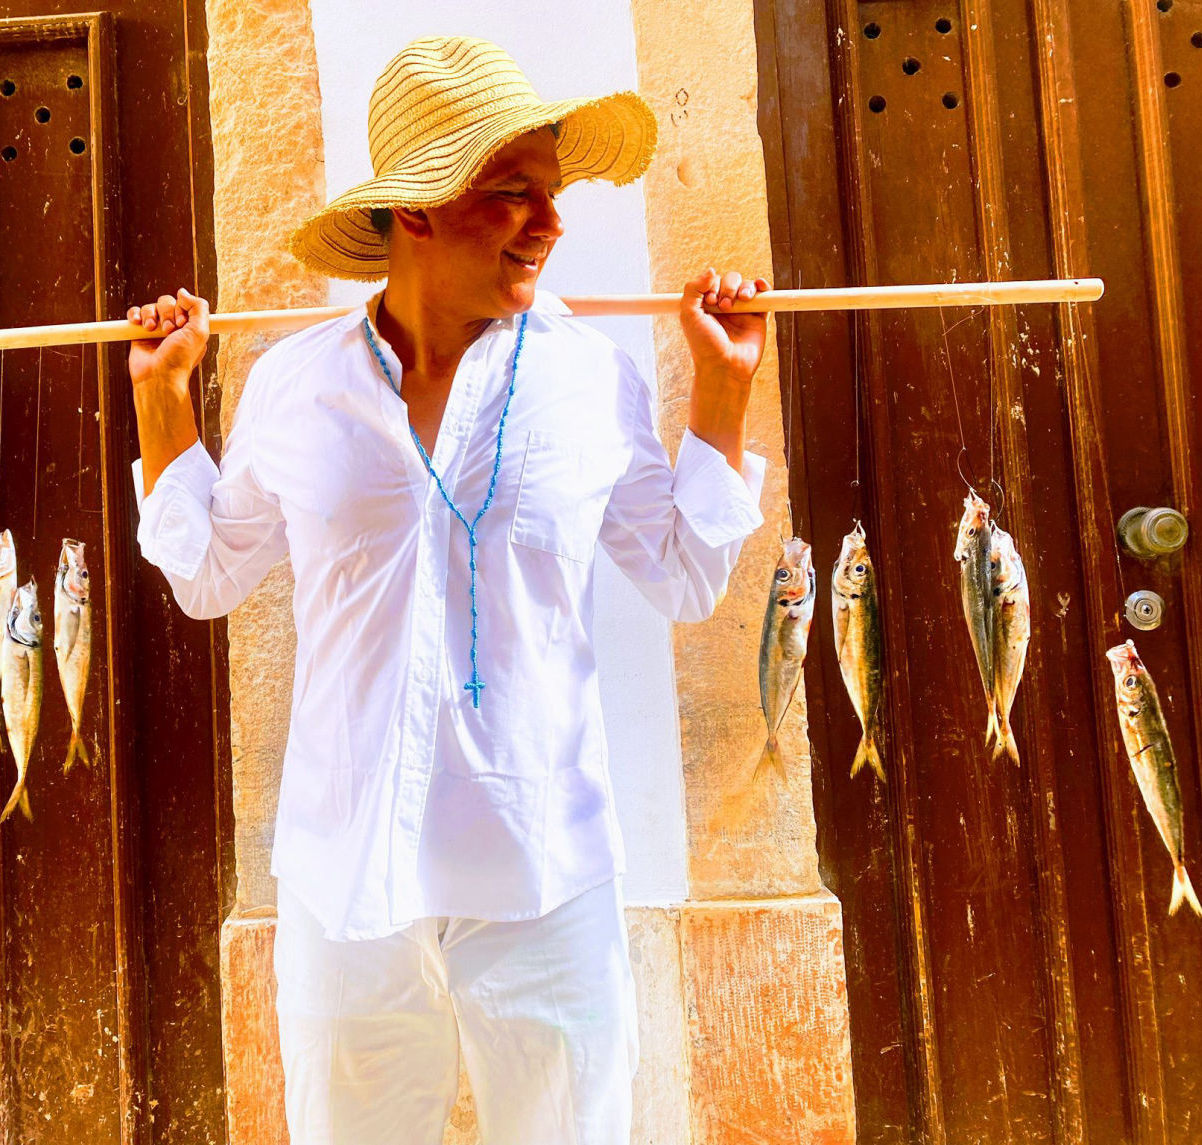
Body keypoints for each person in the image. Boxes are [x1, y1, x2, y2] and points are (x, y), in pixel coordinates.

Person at [127, 35, 770, 1145]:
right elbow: (206, 575)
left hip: (542, 875)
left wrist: (721, 390)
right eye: (513, 194)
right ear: (414, 210)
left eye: (553, 195)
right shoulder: (295, 385)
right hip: (343, 885)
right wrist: (161, 401)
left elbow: (678, 572)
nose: (551, 224)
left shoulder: (584, 376)